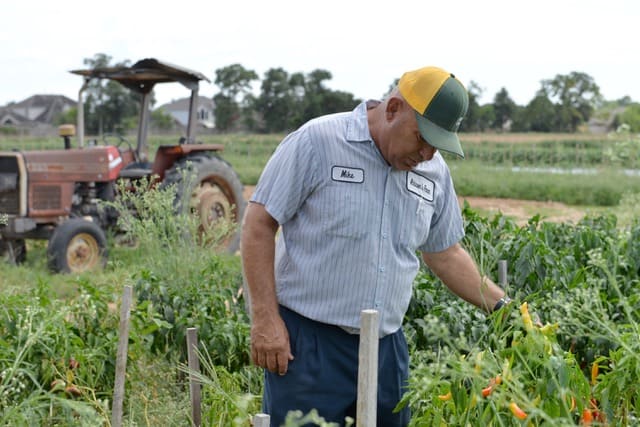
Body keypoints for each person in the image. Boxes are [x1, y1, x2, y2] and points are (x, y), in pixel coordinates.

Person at [240, 66, 510, 426]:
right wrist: (264, 318)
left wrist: (505, 308)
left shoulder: (434, 171)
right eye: (421, 138)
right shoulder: (318, 141)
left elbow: (445, 254)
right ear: (394, 108)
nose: (427, 154)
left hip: (386, 350)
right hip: (308, 346)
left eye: (438, 144)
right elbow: (259, 224)